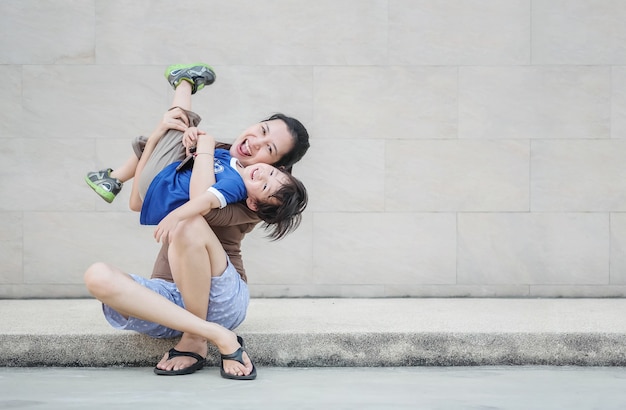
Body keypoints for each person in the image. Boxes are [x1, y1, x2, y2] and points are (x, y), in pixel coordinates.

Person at [84, 63, 311, 378]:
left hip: (220, 297)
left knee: (188, 222)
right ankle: (214, 335)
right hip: (171, 300)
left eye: (269, 149)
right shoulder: (217, 158)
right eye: (261, 130)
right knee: (97, 276)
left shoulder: (252, 199)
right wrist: (160, 134)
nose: (256, 143)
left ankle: (194, 338)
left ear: (278, 168)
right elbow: (139, 200)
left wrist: (202, 148)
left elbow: (196, 203)